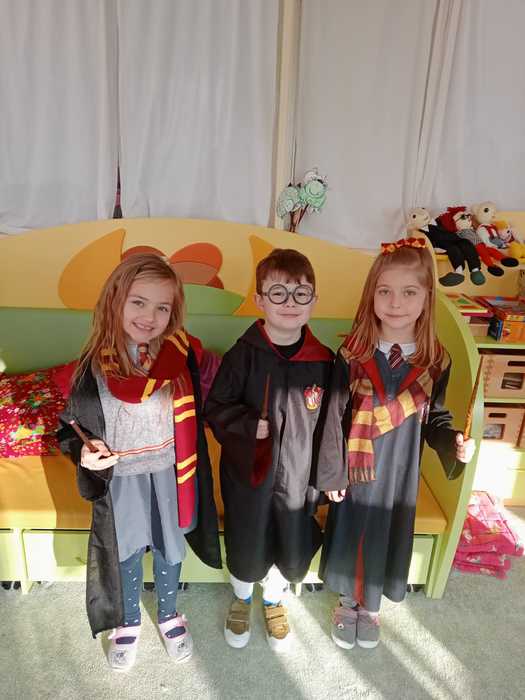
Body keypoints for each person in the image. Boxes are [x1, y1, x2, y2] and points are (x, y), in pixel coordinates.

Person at [57, 254, 221, 671]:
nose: (149, 317)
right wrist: (84, 452)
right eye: (138, 302)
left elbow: (205, 404)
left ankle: (168, 613)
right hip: (123, 478)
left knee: (170, 546)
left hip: (170, 472)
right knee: (126, 550)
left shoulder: (179, 357)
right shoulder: (93, 366)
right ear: (115, 301)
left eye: (162, 307)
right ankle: (128, 619)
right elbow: (69, 428)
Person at [316, 238, 476, 650]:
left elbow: (436, 419)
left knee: (385, 535)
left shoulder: (435, 361)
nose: (395, 303)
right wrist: (332, 473)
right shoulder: (352, 353)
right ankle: (347, 602)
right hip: (356, 468)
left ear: (427, 298)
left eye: (409, 292)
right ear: (371, 296)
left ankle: (370, 607)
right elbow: (333, 417)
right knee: (350, 532)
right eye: (384, 291)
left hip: (400, 472)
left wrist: (453, 443)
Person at [204, 248, 333, 651]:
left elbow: (334, 425)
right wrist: (248, 425)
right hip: (250, 476)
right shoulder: (242, 356)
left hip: (299, 476)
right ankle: (243, 598)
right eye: (278, 293)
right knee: (247, 539)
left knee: (290, 542)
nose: (289, 303)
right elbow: (216, 408)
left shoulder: (325, 362)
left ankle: (274, 599)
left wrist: (330, 476)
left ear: (314, 300)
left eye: (300, 294)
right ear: (260, 300)